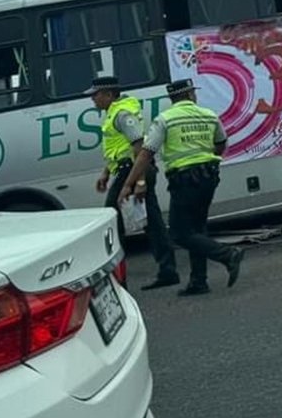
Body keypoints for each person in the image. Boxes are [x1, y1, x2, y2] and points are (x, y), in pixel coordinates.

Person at [120, 80, 244, 296]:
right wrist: (207, 156)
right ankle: (198, 281)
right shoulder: (208, 114)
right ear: (189, 95)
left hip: (185, 179)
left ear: (173, 98)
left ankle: (227, 254)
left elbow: (147, 152)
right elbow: (221, 143)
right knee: (196, 229)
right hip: (209, 176)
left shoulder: (165, 119)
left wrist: (130, 183)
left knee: (179, 233)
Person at [88, 76, 178, 290]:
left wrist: (138, 181)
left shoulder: (122, 114)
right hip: (126, 170)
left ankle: (119, 279)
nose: (93, 99)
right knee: (150, 220)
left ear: (109, 94)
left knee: (113, 220)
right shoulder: (113, 114)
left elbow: (139, 147)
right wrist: (106, 172)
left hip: (134, 170)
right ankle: (167, 270)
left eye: (96, 94)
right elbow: (118, 150)